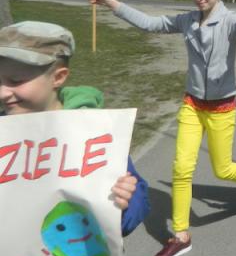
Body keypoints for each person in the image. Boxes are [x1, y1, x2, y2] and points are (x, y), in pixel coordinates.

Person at [88, 0, 236, 256]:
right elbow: (149, 24)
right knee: (182, 168)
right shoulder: (187, 21)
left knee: (223, 169)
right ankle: (181, 236)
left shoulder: (229, 21)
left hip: (222, 108)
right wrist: (107, 1)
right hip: (193, 104)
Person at [0, 21, 150, 236]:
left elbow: (137, 204)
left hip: (73, 251)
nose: (3, 92)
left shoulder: (93, 132)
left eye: (15, 80)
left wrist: (126, 203)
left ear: (58, 77)